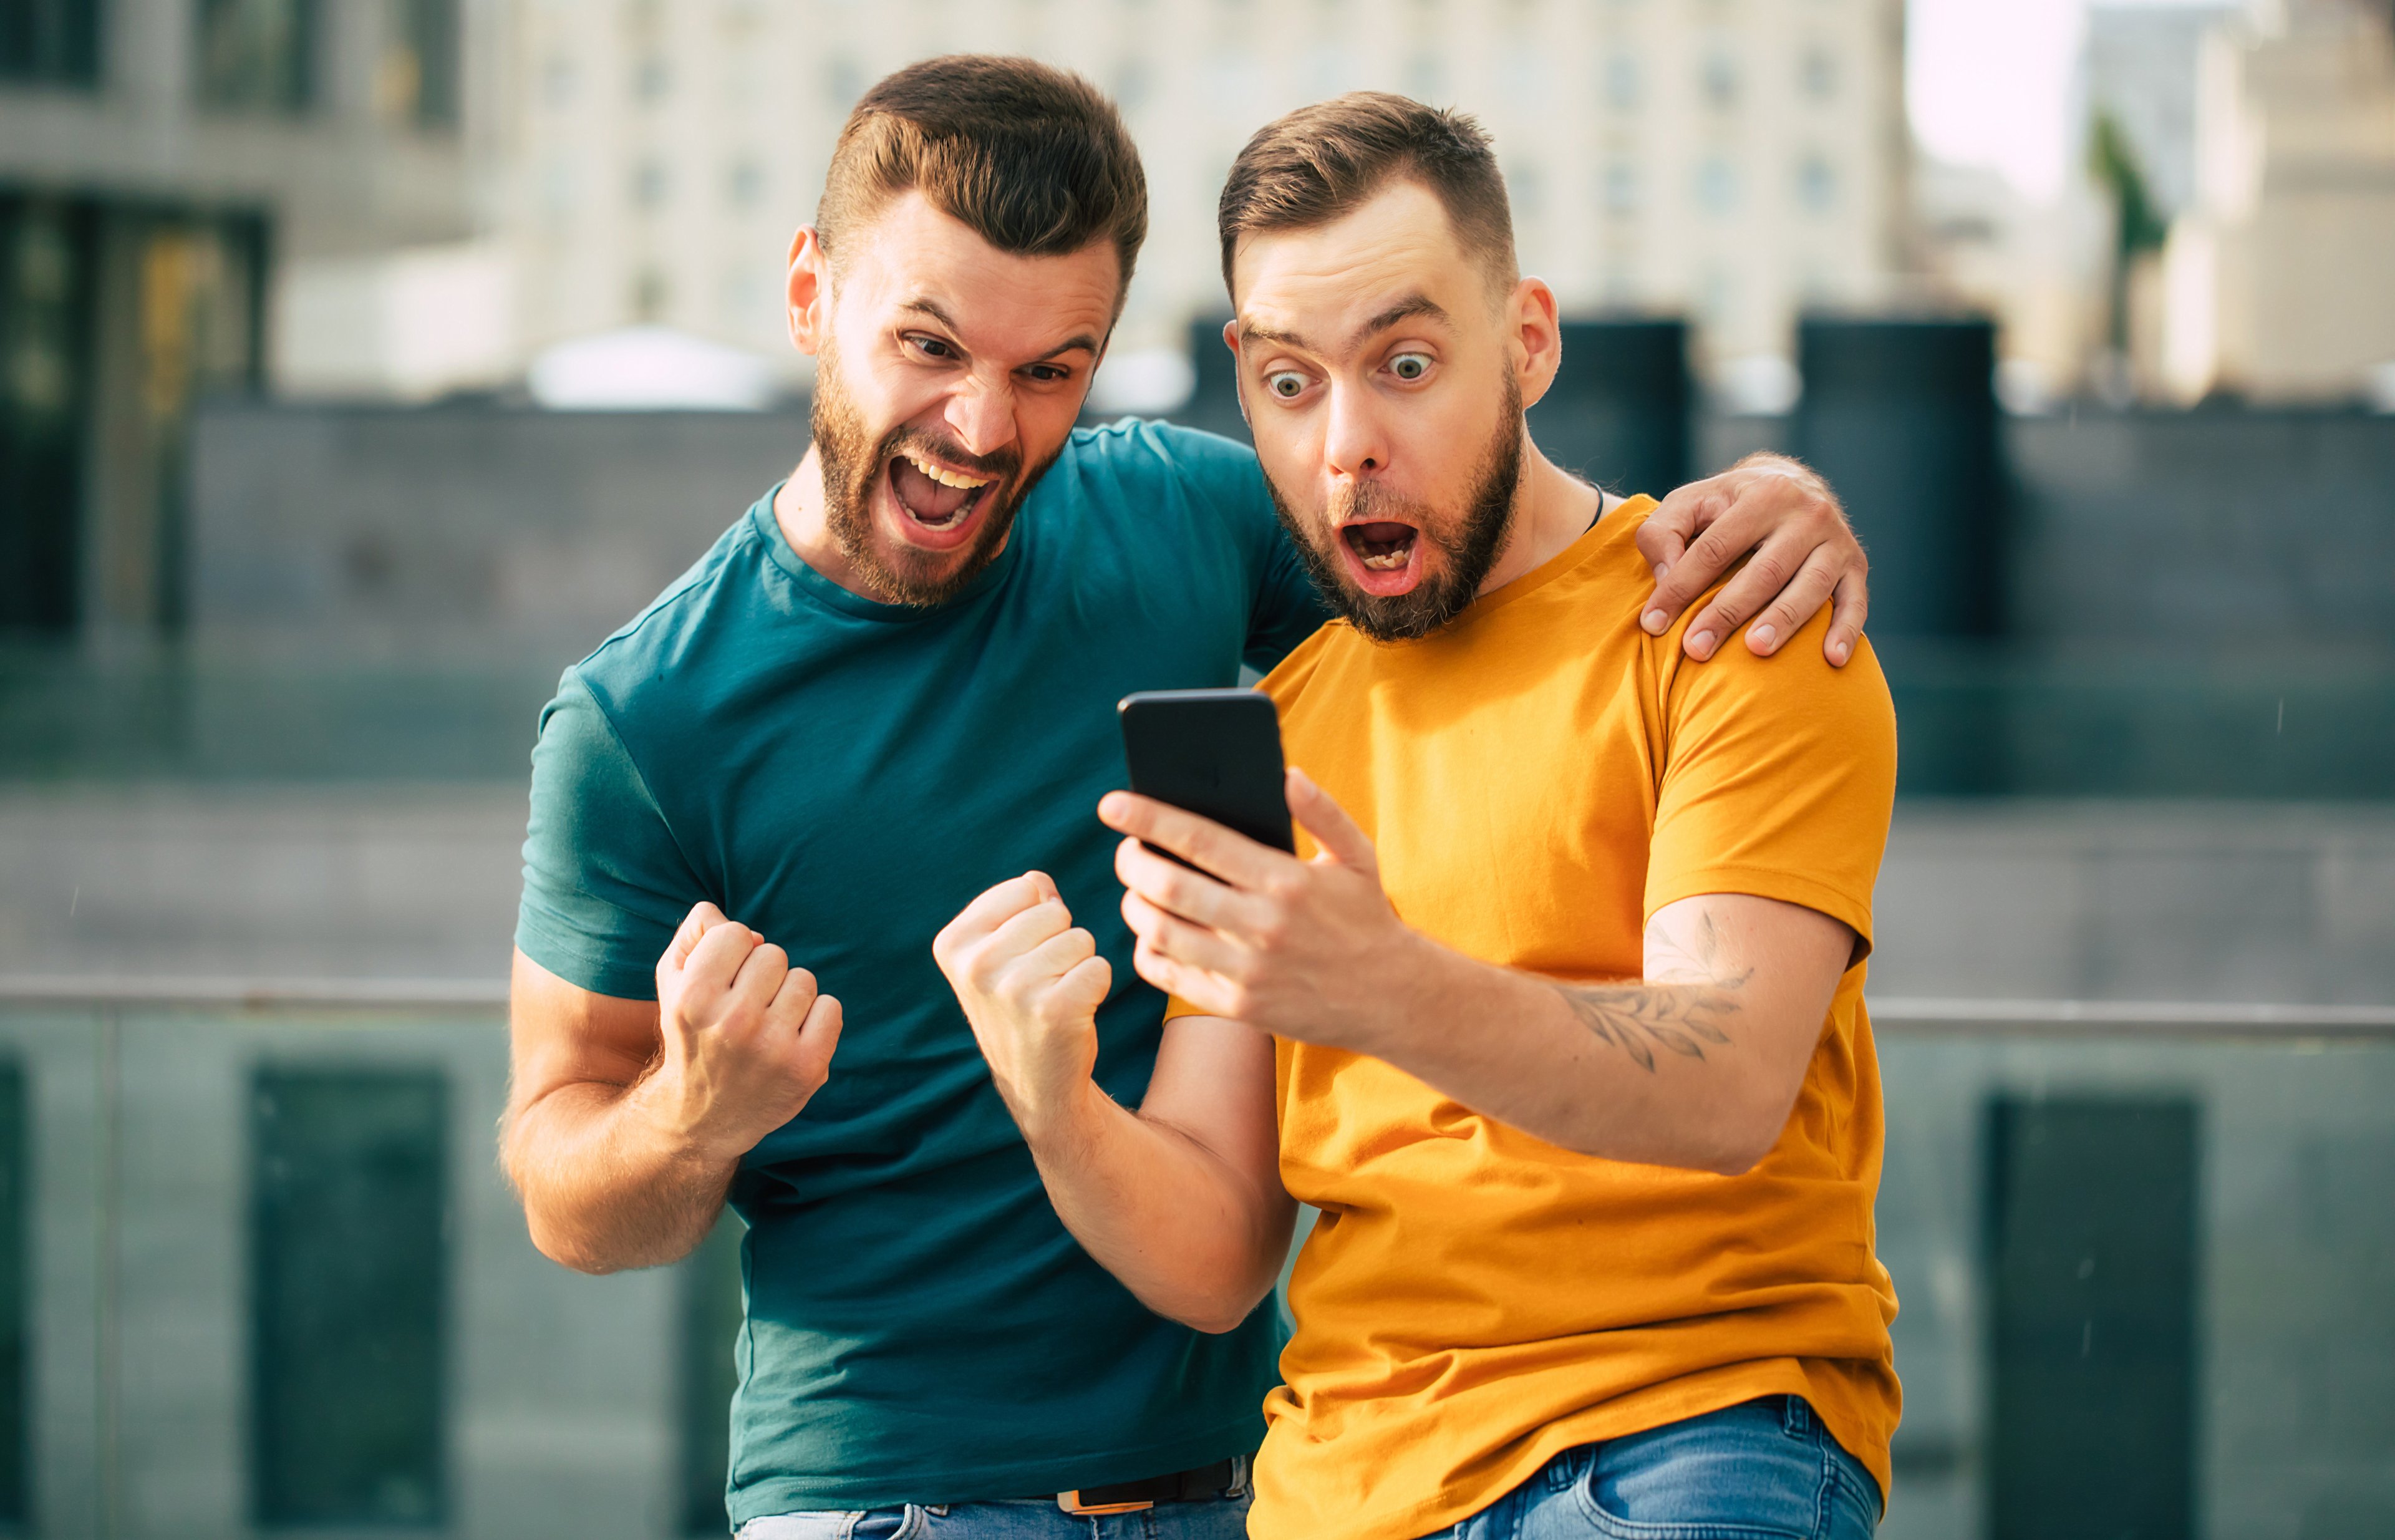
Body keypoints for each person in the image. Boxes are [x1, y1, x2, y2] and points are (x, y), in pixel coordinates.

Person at [504, 59, 1874, 1540]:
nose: (979, 426)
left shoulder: (1192, 522)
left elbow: (1493, 569)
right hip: (892, 1490)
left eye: (1051, 369)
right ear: (808, 295)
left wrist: (1775, 496)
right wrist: (694, 1118)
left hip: (1253, 1475)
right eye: (929, 343)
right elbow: (563, 1185)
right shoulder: (641, 718)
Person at [936, 93, 1899, 1540]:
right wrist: (1053, 1098)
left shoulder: (1730, 616)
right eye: (1290, 382)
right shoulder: (1292, 724)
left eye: (1404, 363)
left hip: (1677, 1432)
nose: (1347, 448)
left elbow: (1724, 1078)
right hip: (1337, 1488)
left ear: (1529, 343)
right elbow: (1214, 1251)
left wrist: (1384, 987)